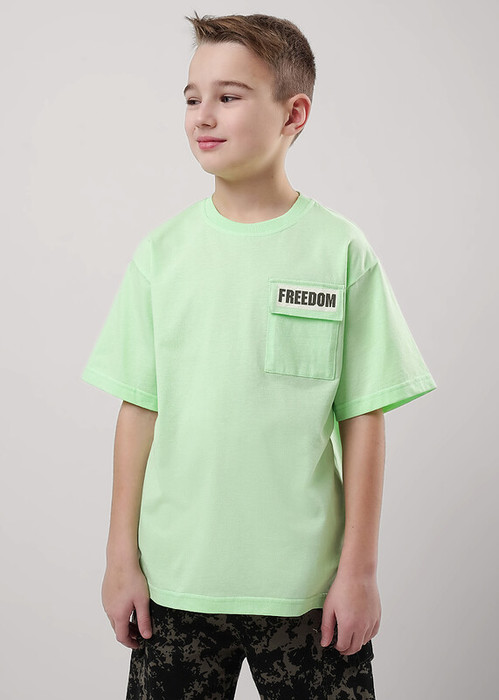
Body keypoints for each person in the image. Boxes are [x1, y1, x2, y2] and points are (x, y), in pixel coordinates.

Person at [81, 12, 437, 700]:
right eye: (192, 97)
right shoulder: (161, 255)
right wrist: (119, 558)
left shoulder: (340, 251)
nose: (203, 115)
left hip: (308, 589)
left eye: (229, 96)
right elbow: (139, 411)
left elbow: (363, 419)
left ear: (293, 114)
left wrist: (358, 572)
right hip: (176, 581)